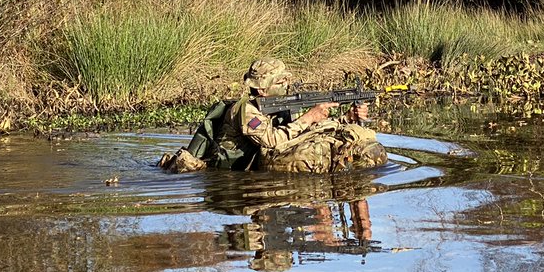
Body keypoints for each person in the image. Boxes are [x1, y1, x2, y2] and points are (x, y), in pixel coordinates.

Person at [160, 58, 389, 174]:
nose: (286, 86)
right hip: (226, 174)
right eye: (280, 82)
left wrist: (346, 118)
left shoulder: (277, 105)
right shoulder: (245, 110)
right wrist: (309, 117)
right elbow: (271, 140)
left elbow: (302, 133)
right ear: (262, 89)